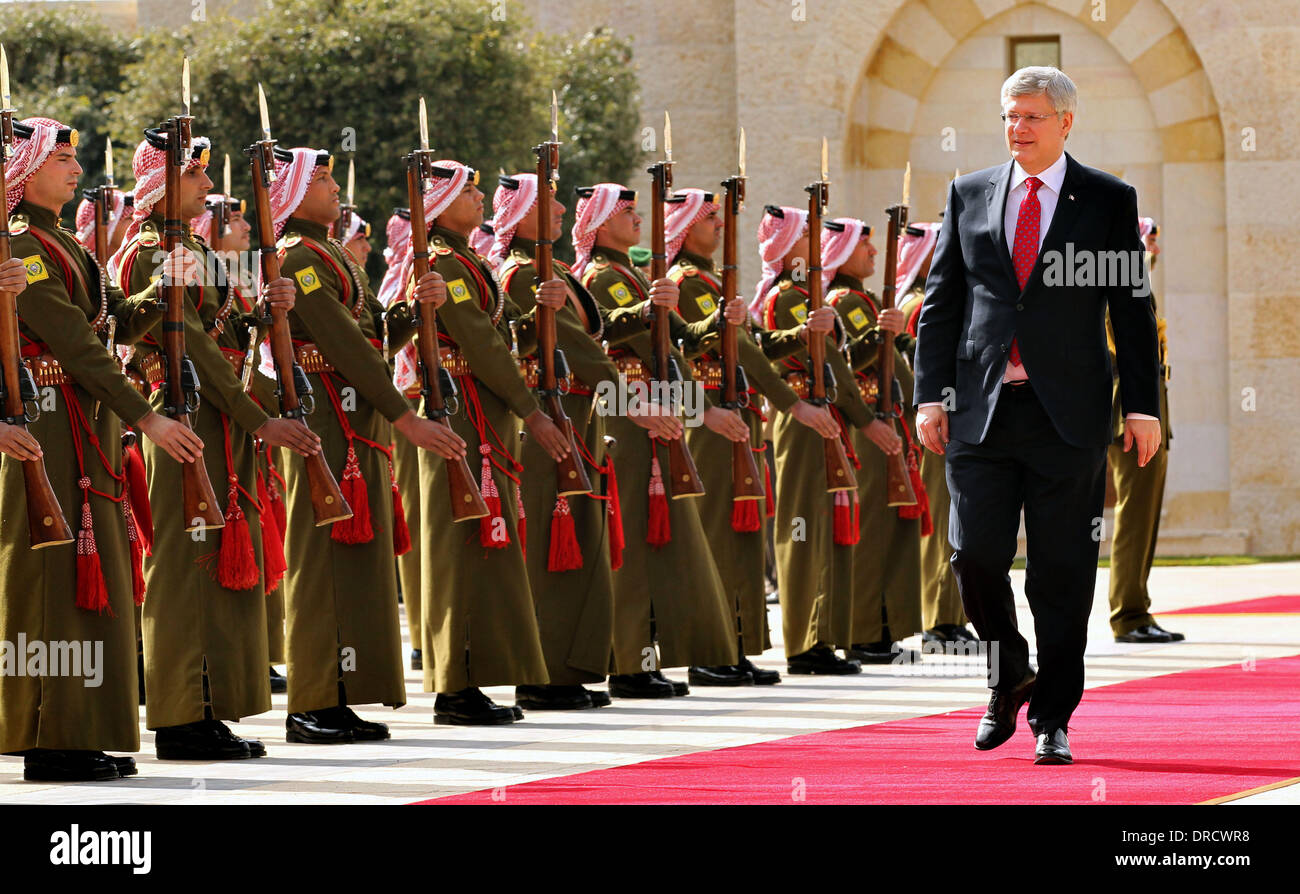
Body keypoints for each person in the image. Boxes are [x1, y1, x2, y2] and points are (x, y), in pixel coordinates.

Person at [913, 66, 1161, 764]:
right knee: (974, 557)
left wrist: (1141, 405)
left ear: (1065, 122)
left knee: (1061, 572)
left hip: (1068, 418)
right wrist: (930, 395)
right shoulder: (969, 194)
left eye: (1030, 116)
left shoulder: (1108, 200)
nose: (1016, 128)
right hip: (979, 412)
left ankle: (1052, 717)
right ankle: (1008, 674)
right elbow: (941, 304)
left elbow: (1131, 311)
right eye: (1008, 116)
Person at [0, 116, 204, 781]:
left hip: (78, 422)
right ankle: (48, 734)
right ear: (26, 169)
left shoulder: (59, 241)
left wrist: (165, 289)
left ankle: (78, 728)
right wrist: (145, 417)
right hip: (50, 423)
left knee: (89, 579)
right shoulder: (23, 243)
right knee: (53, 582)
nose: (75, 168)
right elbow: (76, 343)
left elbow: (107, 322)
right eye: (61, 158)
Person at [114, 130, 321, 760]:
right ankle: (180, 716)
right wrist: (258, 419)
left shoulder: (195, 249)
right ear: (165, 182)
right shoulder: (151, 252)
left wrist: (267, 311)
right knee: (185, 566)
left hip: (219, 417)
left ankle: (210, 705)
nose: (208, 188)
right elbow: (195, 345)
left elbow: (224, 333)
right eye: (196, 177)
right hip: (183, 418)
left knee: (219, 561)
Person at [266, 146, 464, 743]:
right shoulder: (299, 256)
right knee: (319, 558)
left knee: (351, 565)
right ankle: (311, 700)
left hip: (354, 420)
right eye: (321, 179)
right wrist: (407, 419)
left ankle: (339, 692)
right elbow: (345, 347)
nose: (333, 189)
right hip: (326, 419)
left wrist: (411, 310)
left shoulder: (330, 255)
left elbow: (372, 333)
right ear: (294, 193)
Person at [492, 173, 682, 708]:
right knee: (551, 554)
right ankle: (541, 675)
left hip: (577, 416)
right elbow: (572, 344)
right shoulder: (520, 273)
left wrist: (645, 314)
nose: (557, 207)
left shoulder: (551, 273)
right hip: (552, 419)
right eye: (545, 200)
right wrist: (633, 402)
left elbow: (587, 331)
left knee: (578, 551)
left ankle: (566, 671)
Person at [398, 159, 566, 725]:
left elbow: (495, 330)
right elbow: (481, 344)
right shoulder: (444, 261)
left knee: (483, 547)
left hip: (480, 411)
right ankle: (454, 684)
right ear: (441, 204)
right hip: (462, 409)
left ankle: (471, 676)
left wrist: (532, 314)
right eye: (467, 191)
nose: (477, 199)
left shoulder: (467, 261)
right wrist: (531, 410)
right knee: (459, 549)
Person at [664, 188, 840, 685]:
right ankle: (709, 649)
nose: (719, 226)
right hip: (710, 419)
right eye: (710, 218)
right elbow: (690, 354)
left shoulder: (706, 282)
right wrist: (793, 405)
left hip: (734, 417)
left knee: (739, 537)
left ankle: (731, 645)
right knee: (718, 534)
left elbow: (750, 347)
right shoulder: (688, 282)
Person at [575, 182, 740, 697]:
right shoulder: (604, 278)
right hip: (627, 415)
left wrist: (716, 323)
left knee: (660, 540)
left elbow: (672, 345)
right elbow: (612, 343)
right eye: (626, 212)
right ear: (600, 223)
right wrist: (650, 309)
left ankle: (648, 656)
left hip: (656, 415)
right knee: (633, 544)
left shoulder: (631, 274)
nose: (638, 218)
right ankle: (628, 660)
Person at [757, 204, 880, 675]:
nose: (816, 244)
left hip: (825, 418)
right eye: (806, 235)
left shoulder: (812, 297)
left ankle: (823, 637)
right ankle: (805, 642)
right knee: (803, 528)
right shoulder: (791, 296)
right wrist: (866, 419)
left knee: (827, 528)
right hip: (807, 420)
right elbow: (823, 360)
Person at [821, 217, 925, 664]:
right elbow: (848, 362)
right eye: (864, 245)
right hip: (867, 425)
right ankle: (864, 629)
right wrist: (883, 332)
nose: (873, 253)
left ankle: (883, 626)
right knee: (872, 530)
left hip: (889, 423)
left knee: (892, 529)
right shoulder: (845, 302)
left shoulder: (861, 299)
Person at [895, 223, 974, 645]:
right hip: (935, 428)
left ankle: (950, 617)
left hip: (956, 420)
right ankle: (938, 619)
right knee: (943, 517)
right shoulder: (919, 305)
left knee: (958, 518)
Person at [1108, 218, 1181, 644]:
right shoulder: (1120, 286)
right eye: (1148, 234)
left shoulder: (1141, 286)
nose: (1154, 242)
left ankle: (1138, 609)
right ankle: (1128, 615)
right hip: (1129, 415)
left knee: (1144, 516)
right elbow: (1122, 355)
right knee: (1134, 517)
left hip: (1151, 411)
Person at [374, 207, 426, 672]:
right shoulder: (393, 284)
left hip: (415, 411)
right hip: (407, 409)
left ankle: (429, 629)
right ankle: (426, 629)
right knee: (418, 518)